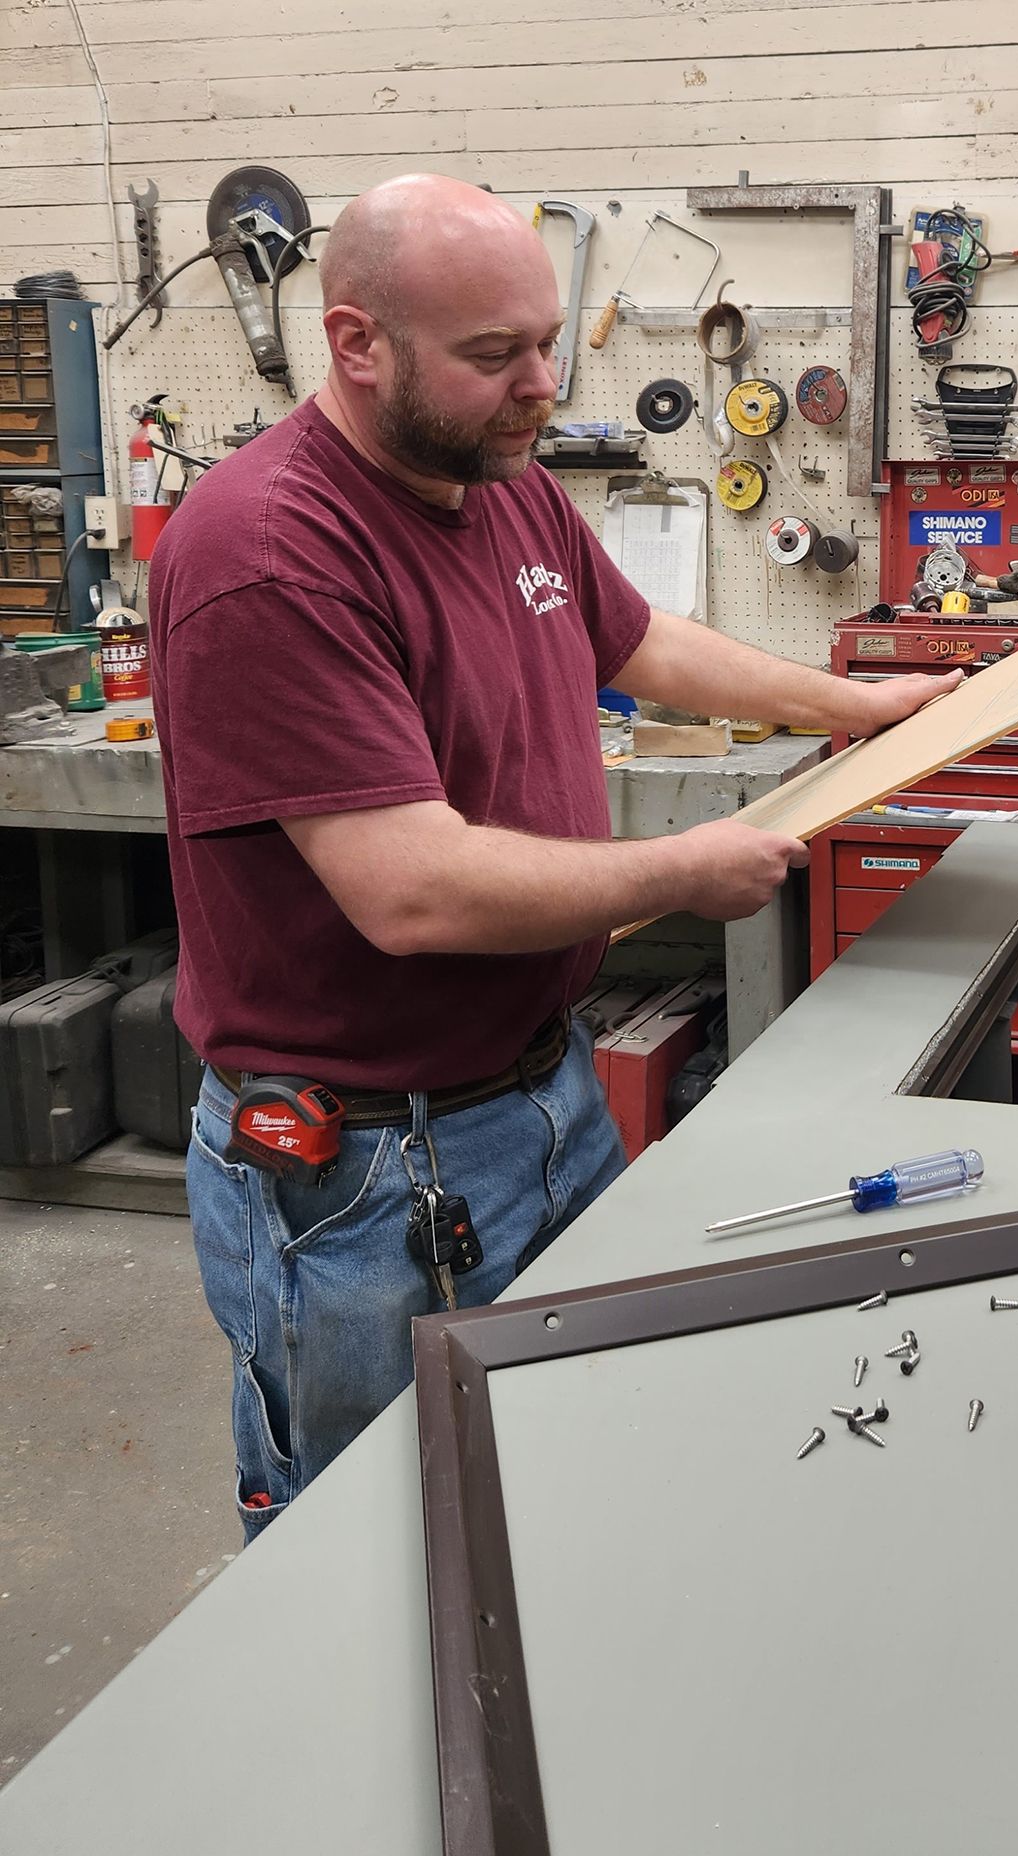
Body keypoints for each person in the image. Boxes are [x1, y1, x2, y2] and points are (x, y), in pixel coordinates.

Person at [149, 174, 956, 1539]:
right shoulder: (271, 550)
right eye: (493, 355)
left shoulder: (499, 475)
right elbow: (409, 889)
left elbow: (633, 641)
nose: (542, 385)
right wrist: (687, 868)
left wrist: (857, 704)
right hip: (357, 1169)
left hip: (543, 1096)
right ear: (356, 345)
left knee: (557, 1491)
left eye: (544, 340)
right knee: (366, 1545)